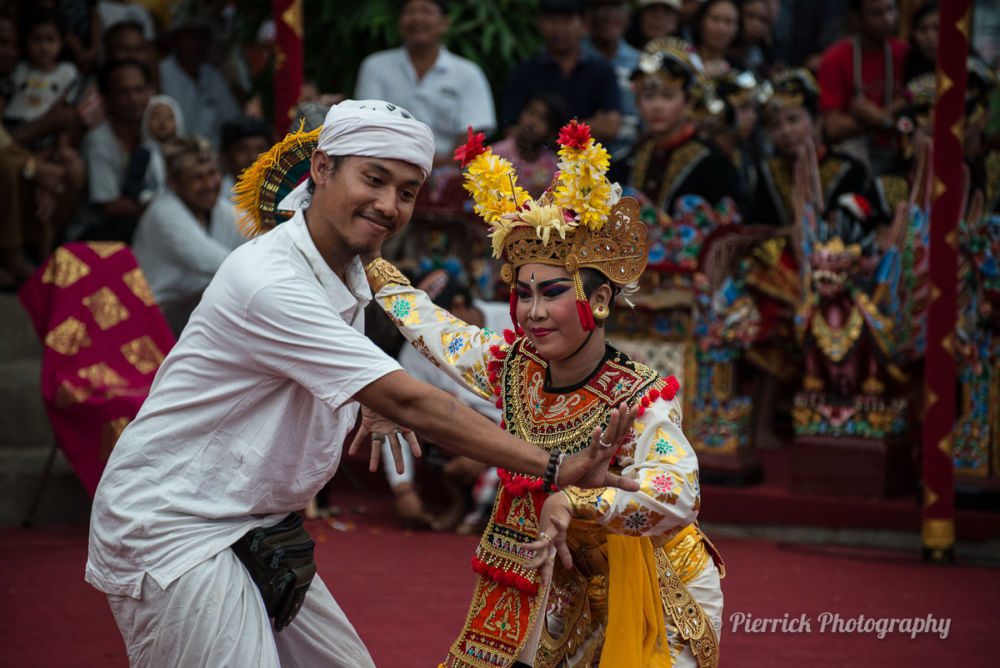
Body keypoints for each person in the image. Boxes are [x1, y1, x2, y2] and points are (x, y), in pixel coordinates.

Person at [85, 100, 639, 667]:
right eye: (372, 179)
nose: (388, 205)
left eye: (406, 191)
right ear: (322, 169)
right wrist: (553, 465)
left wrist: (361, 398)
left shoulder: (349, 266)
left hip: (253, 518)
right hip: (176, 524)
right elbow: (410, 397)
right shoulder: (268, 279)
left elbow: (345, 374)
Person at [367, 119, 724, 667]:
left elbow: (678, 494)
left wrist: (578, 499)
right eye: (522, 293)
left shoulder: (637, 397)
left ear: (599, 298)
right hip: (566, 580)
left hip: (659, 592)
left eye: (553, 293)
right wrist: (372, 270)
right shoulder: (516, 369)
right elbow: (437, 330)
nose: (532, 313)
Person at [611, 39, 746, 219]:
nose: (657, 106)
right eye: (649, 96)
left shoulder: (713, 164)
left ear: (688, 102)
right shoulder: (629, 160)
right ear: (637, 102)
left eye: (668, 96)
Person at [355, 0, 496, 166]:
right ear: (399, 22)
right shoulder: (375, 66)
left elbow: (472, 133)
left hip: (449, 173)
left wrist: (436, 167)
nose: (417, 18)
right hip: (384, 164)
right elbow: (367, 123)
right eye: (409, 11)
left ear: (445, 23)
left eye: (426, 11)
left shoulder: (468, 73)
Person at [132, 136, 246, 335]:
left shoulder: (220, 209)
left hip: (188, 315)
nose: (209, 184)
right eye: (197, 178)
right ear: (174, 183)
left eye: (212, 173)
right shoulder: (164, 213)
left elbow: (260, 239)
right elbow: (212, 262)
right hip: (151, 319)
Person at [752, 69, 872, 228]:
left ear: (817, 122)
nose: (785, 131)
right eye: (776, 125)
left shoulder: (850, 169)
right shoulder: (767, 172)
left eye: (793, 120)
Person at [500, 0, 621, 145]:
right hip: (539, 164)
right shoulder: (524, 72)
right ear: (540, 23)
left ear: (584, 24)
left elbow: (610, 127)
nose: (559, 28)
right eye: (551, 20)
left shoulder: (602, 70)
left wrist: (546, 129)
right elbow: (511, 130)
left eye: (567, 20)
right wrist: (587, 127)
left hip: (589, 162)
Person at [817, 0, 908, 174]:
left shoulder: (905, 53)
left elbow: (913, 120)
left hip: (899, 157)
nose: (887, 19)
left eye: (890, 10)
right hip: (852, 161)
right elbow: (833, 128)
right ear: (856, 19)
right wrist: (890, 119)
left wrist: (876, 117)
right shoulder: (834, 58)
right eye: (876, 14)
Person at [78, 59, 157, 241]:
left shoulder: (154, 134)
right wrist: (163, 207)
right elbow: (109, 206)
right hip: (97, 234)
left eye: (139, 90)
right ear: (107, 99)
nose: (133, 99)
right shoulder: (98, 141)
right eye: (123, 93)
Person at [158, 14, 241, 148]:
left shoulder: (212, 75)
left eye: (202, 37)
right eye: (190, 36)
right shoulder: (161, 73)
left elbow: (232, 120)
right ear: (174, 40)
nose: (196, 43)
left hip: (212, 159)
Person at [3, 8, 80, 145]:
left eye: (50, 40)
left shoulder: (67, 72)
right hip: (13, 122)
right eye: (36, 40)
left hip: (48, 131)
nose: (43, 47)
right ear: (25, 42)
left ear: (61, 43)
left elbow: (67, 110)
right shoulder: (19, 69)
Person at [583, 0, 641, 158]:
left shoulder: (640, 62)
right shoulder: (574, 57)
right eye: (602, 7)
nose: (610, 15)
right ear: (588, 15)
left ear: (628, 15)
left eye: (618, 7)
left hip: (629, 158)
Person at [490, 93, 563, 199]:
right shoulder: (496, 154)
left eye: (542, 118)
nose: (532, 122)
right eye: (530, 112)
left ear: (552, 132)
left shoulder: (554, 165)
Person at [219, 116, 272, 199]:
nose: (253, 157)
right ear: (226, 156)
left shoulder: (286, 193)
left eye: (260, 149)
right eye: (243, 150)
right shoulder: (215, 197)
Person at [691, 0, 742, 78]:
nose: (721, 28)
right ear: (701, 21)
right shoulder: (682, 55)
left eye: (728, 22)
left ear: (737, 28)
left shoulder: (740, 71)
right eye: (715, 19)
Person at [903, 2, 938, 84]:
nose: (930, 37)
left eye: (937, 28)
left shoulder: (969, 67)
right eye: (922, 29)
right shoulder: (906, 65)